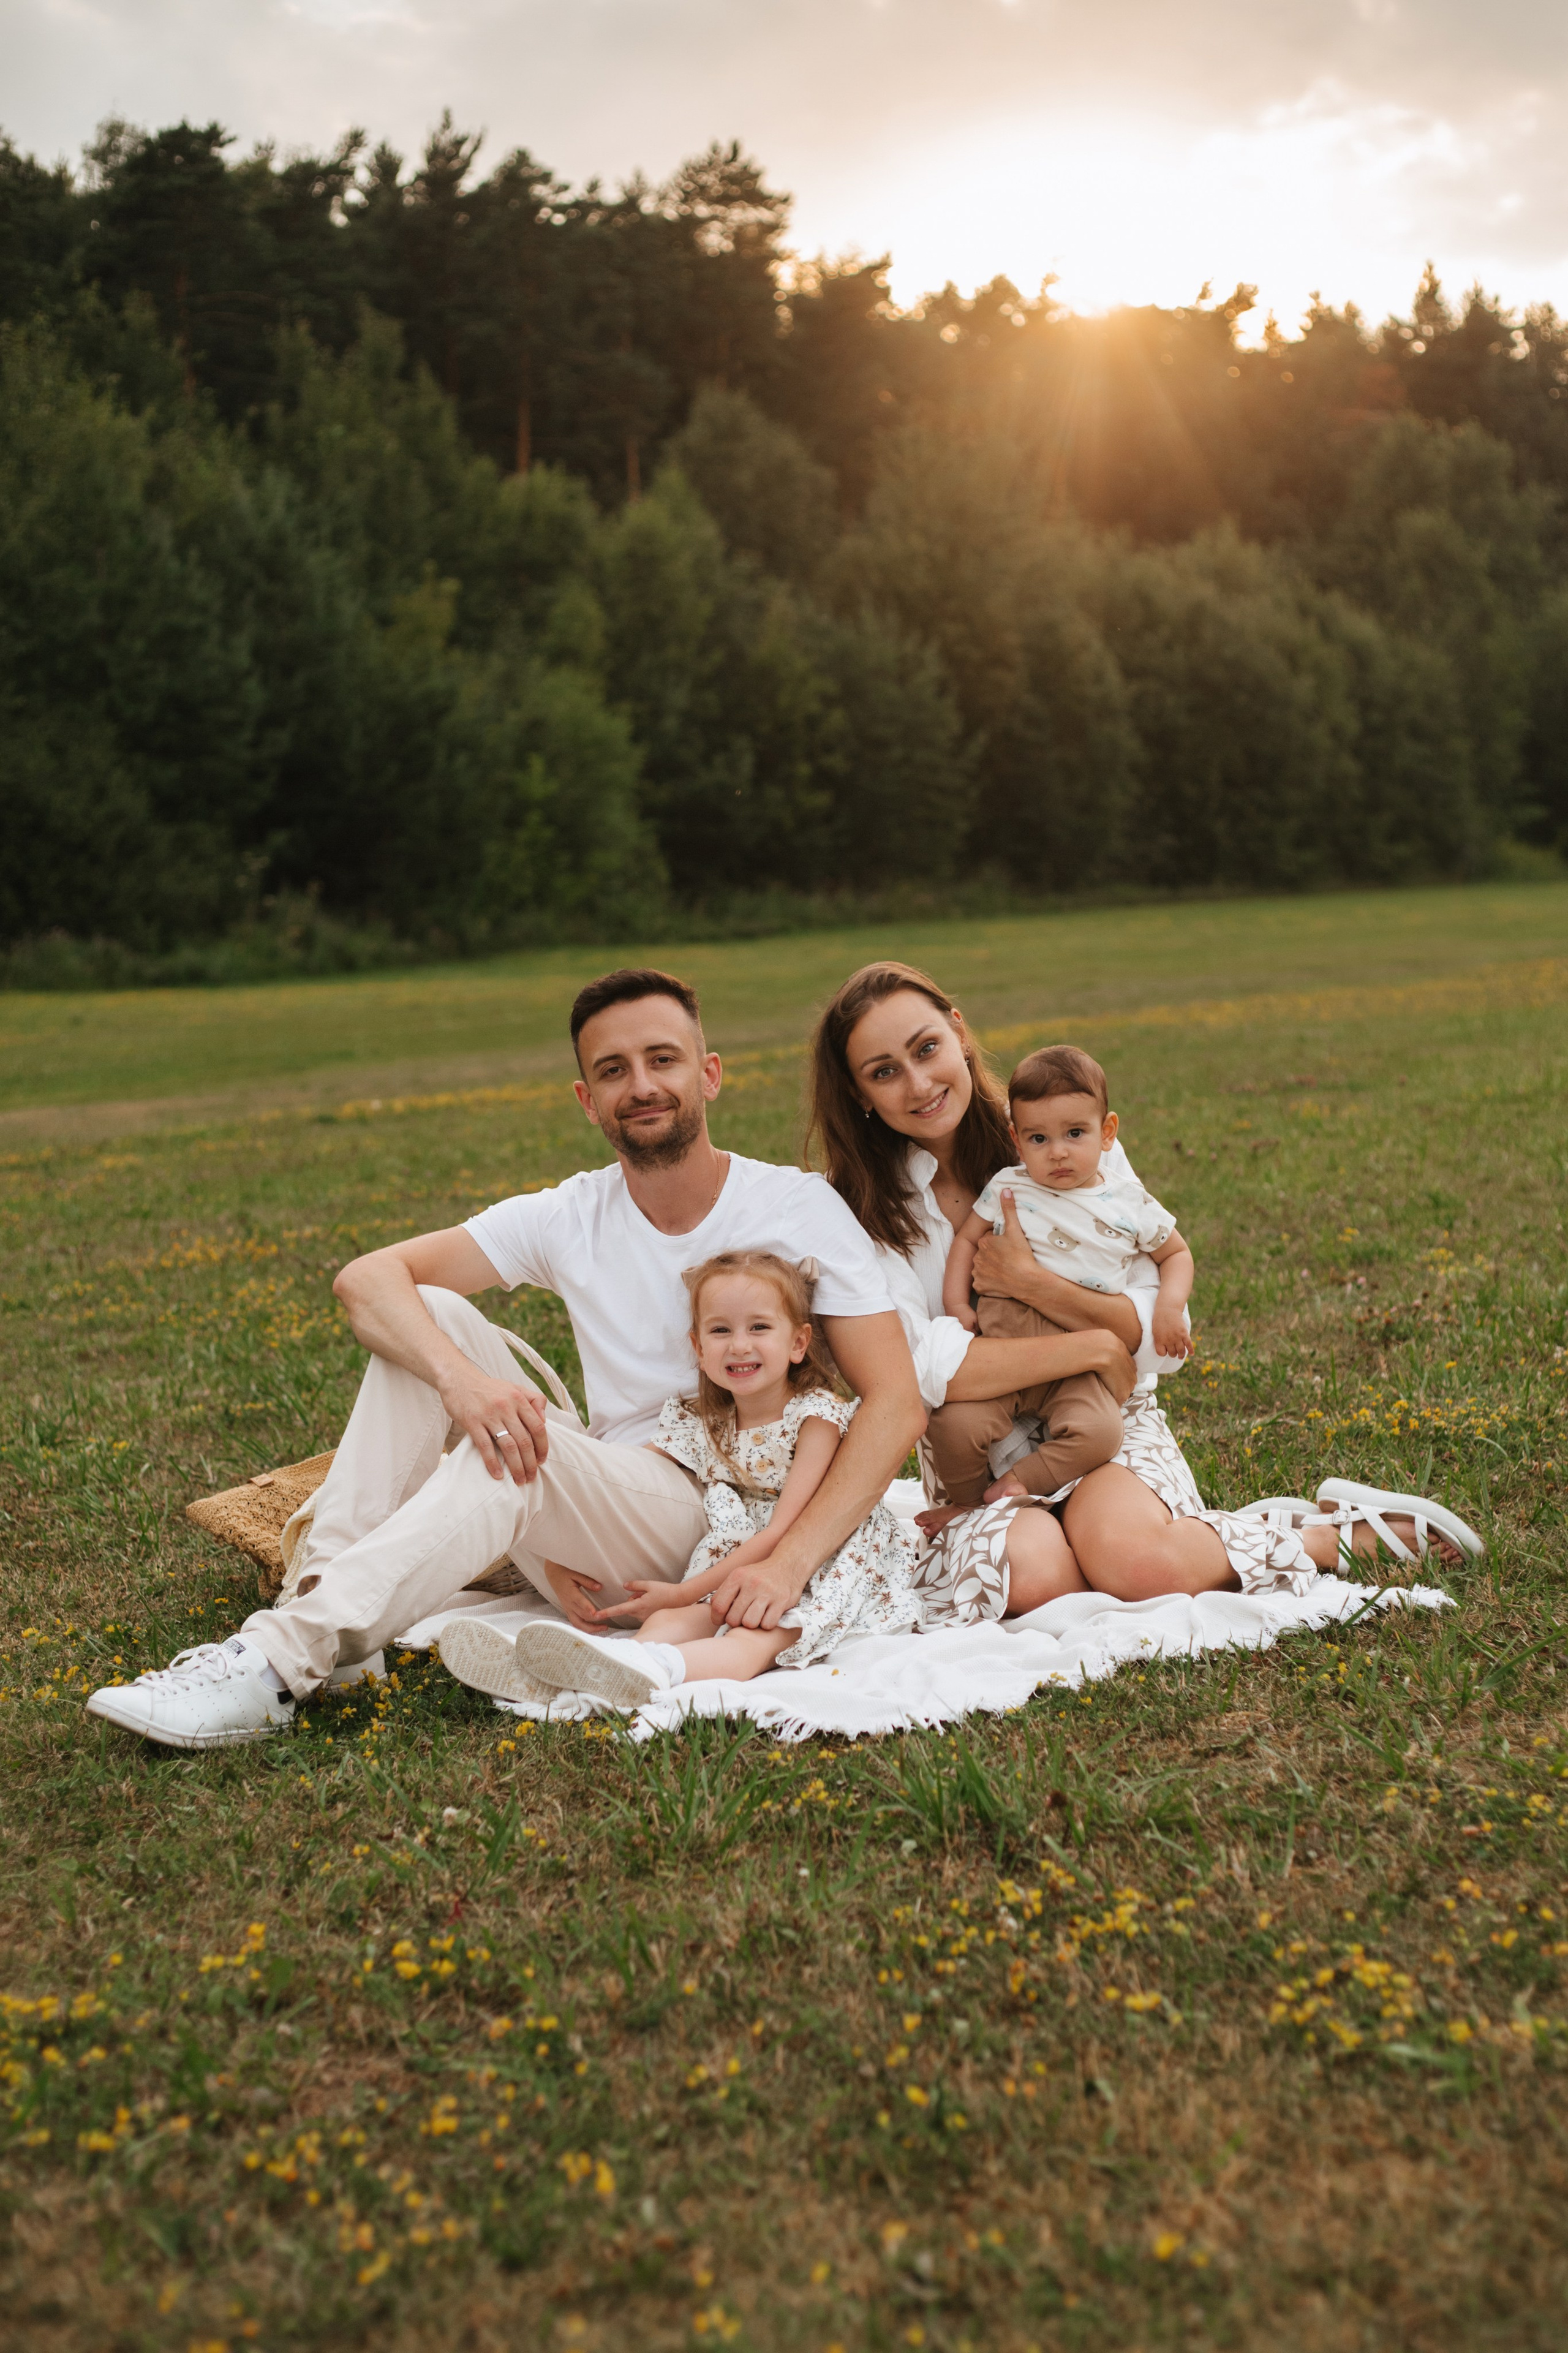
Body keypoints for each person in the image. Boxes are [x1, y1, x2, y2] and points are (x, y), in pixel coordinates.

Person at [85, 968, 926, 1749]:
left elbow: (894, 1401)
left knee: (518, 1449)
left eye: (662, 1059)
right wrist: (465, 1384)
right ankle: (324, 1626)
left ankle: (271, 1665)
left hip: (715, 1510)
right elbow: (367, 1280)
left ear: (708, 1074)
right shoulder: (572, 1212)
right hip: (618, 1482)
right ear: (586, 1099)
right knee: (437, 1317)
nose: (641, 1085)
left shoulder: (794, 1205)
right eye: (613, 1069)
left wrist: (788, 1560)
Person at [807, 959, 1482, 1618]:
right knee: (1041, 1579)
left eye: (927, 1048)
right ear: (860, 1093)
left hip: (1109, 1418)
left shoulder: (1063, 1129)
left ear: (958, 1030)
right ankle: (1196, 1538)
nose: (919, 1082)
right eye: (884, 1072)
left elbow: (1155, 1335)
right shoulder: (856, 1210)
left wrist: (1035, 1287)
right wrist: (1094, 1344)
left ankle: (1322, 1534)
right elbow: (917, 1373)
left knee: (1140, 1569)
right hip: (973, 1457)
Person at [489, 1250, 926, 1710]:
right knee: (666, 1624)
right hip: (733, 1558)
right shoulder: (701, 1423)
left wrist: (683, 1591)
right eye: (721, 1330)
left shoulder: (814, 1416)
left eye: (759, 1327)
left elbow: (783, 1530)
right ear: (698, 1348)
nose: (739, 1345)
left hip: (819, 1556)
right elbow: (608, 1486)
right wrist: (559, 1560)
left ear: (799, 1343)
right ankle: (596, 1674)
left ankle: (647, 1671)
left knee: (752, 1636)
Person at [931, 1042, 1193, 1509]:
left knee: (1101, 1431)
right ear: (1017, 1140)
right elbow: (967, 1241)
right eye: (1038, 1139)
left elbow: (1176, 1253)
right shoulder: (1009, 1185)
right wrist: (955, 1304)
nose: (1058, 1153)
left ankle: (1020, 1480)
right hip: (1004, 1355)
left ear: (1107, 1131)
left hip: (1078, 1362)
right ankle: (966, 1506)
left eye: (1075, 1133)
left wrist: (1169, 1307)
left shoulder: (1128, 1200)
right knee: (954, 1427)